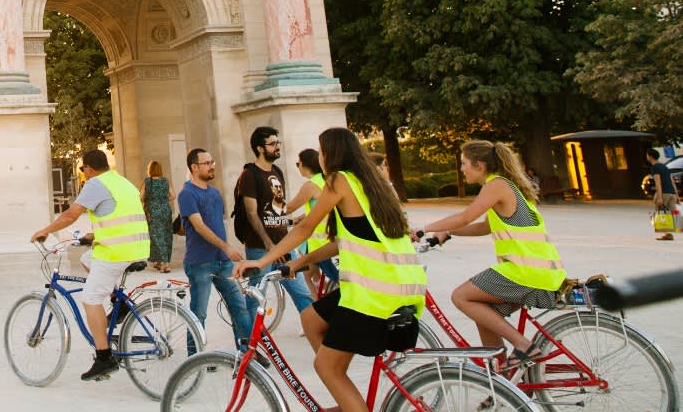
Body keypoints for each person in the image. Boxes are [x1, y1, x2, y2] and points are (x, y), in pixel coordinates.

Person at [239, 128, 425, 412]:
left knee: (326, 367)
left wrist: (262, 262)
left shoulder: (339, 180)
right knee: (311, 319)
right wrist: (300, 261)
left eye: (321, 151)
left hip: (373, 295)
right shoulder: (370, 183)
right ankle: (346, 399)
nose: (320, 158)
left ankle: (350, 401)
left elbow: (304, 227)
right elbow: (343, 242)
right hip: (396, 286)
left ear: (331, 154)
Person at [414, 140, 567, 366]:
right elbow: (484, 227)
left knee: (461, 296)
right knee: (483, 312)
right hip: (537, 271)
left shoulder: (496, 185)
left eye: (464, 163)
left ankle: (524, 346)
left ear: (479, 165)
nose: (462, 169)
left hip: (527, 272)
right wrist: (447, 232)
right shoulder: (504, 185)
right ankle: (500, 374)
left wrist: (423, 229)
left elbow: (466, 217)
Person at [30, 150, 151, 381]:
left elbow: (70, 215)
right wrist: (94, 235)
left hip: (117, 251)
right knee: (87, 259)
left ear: (88, 168)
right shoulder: (122, 182)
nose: (84, 174)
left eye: (83, 169)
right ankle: (119, 301)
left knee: (91, 298)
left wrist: (44, 231)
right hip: (137, 246)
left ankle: (103, 357)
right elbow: (122, 216)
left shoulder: (95, 184)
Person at [233, 126, 314, 316]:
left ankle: (316, 328)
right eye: (272, 144)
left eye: (278, 142)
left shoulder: (277, 171)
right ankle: (249, 334)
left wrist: (291, 222)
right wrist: (269, 245)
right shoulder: (249, 175)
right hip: (260, 248)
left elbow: (277, 212)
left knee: (302, 294)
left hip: (284, 245)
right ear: (260, 148)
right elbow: (252, 213)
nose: (277, 146)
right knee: (256, 298)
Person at [178, 147, 255, 347]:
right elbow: (199, 226)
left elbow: (217, 225)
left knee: (239, 308)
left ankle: (247, 353)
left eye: (212, 162)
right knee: (198, 314)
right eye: (207, 163)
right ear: (194, 168)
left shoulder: (215, 193)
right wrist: (227, 247)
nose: (212, 166)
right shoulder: (187, 194)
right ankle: (195, 357)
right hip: (200, 264)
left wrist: (227, 250)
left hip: (223, 262)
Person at [284, 148, 339, 289]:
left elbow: (289, 208)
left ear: (305, 165)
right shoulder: (325, 180)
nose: (298, 167)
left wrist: (269, 211)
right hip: (330, 238)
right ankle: (319, 298)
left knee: (337, 279)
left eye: (298, 164)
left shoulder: (311, 185)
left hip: (318, 242)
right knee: (309, 274)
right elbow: (320, 207)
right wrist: (303, 217)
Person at [143, 160, 174, 272]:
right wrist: (163, 199)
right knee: (166, 235)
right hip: (166, 210)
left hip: (153, 212)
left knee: (157, 236)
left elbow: (140, 196)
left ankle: (165, 264)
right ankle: (158, 262)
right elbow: (173, 195)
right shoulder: (165, 181)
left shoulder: (147, 181)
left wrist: (151, 200)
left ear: (150, 170)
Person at [647, 148, 677, 241]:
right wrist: (676, 194)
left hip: (664, 193)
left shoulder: (655, 167)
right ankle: (669, 233)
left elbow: (658, 182)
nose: (647, 157)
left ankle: (667, 234)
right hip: (672, 193)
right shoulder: (664, 166)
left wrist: (659, 197)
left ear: (650, 157)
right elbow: (672, 180)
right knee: (671, 214)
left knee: (661, 214)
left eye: (647, 155)